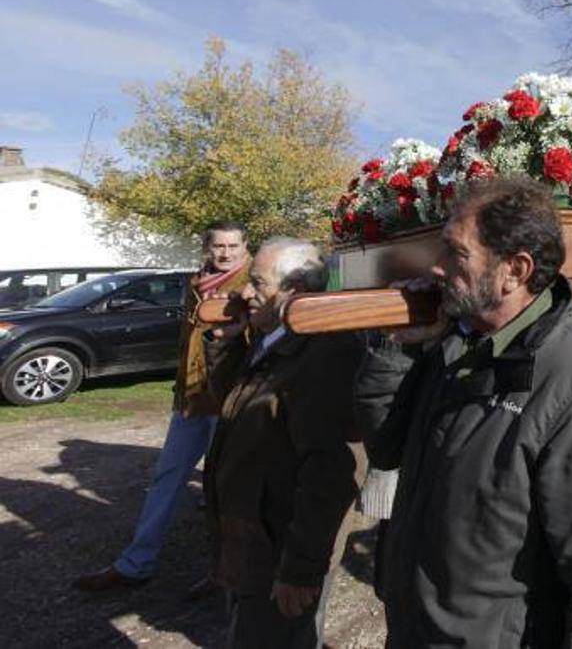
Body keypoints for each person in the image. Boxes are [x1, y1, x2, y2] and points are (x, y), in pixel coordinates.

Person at [356, 177, 572, 646]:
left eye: (455, 254)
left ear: (514, 271)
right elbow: (385, 446)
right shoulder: (455, 341)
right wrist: (399, 350)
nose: (436, 268)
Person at [203, 237, 367, 648]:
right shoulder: (273, 335)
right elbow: (232, 405)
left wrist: (301, 568)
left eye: (258, 283)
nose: (244, 292)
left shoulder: (325, 352)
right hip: (251, 543)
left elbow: (331, 471)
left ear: (295, 291)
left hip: (280, 551)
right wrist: (226, 341)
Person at [74, 222, 251, 593]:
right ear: (207, 248)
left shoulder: (255, 282)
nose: (226, 253)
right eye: (219, 246)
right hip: (192, 395)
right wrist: (181, 390)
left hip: (232, 399)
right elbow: (189, 342)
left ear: (245, 247)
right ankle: (136, 563)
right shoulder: (195, 283)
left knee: (229, 488)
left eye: (233, 246)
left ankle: (227, 572)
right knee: (166, 477)